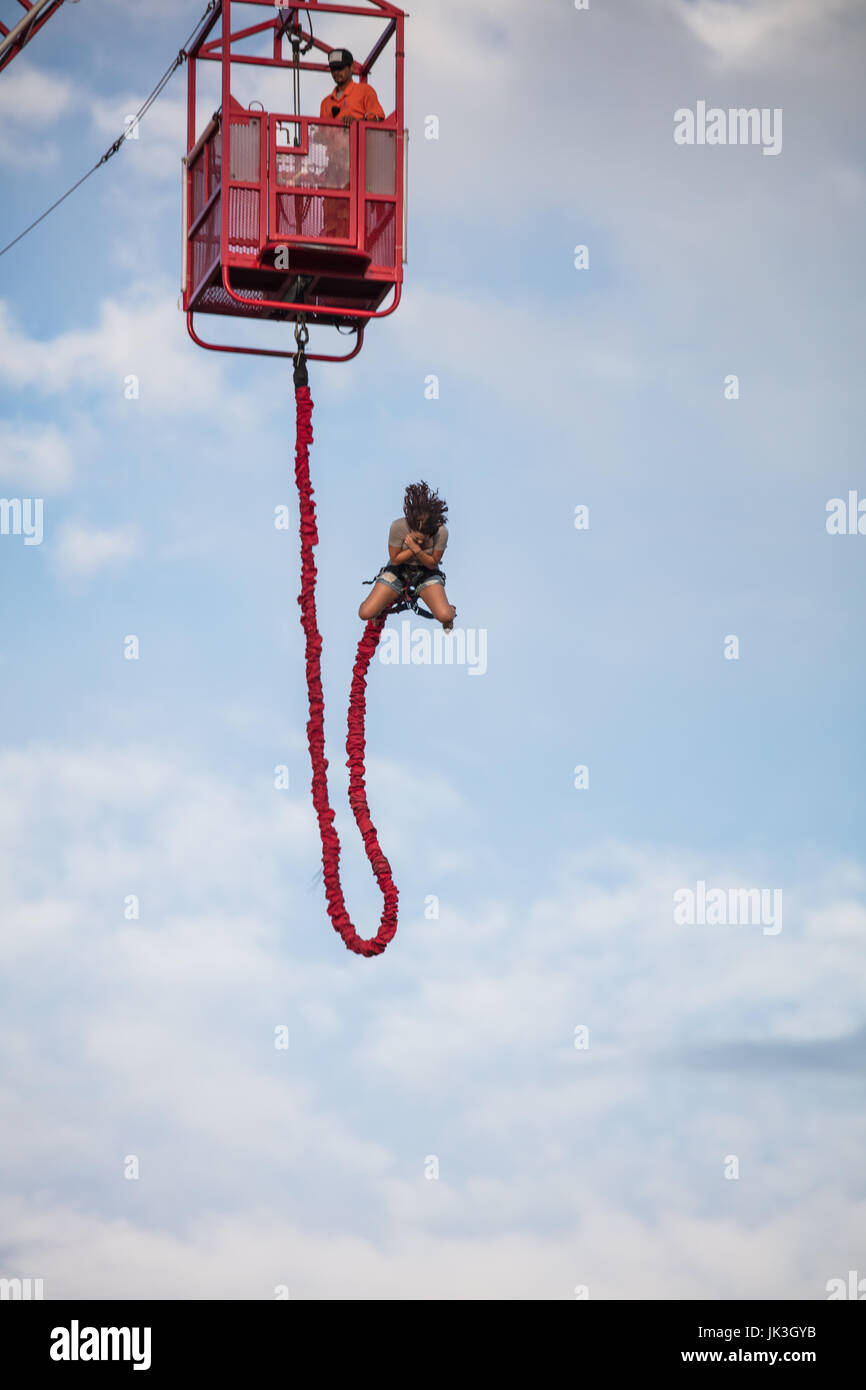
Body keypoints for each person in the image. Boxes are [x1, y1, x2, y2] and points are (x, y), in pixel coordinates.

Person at [359, 481, 457, 631]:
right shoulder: (397, 527)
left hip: (426, 571)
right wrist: (415, 549)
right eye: (415, 537)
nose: (418, 541)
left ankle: (451, 610)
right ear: (410, 527)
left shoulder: (441, 533)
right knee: (365, 613)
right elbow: (395, 559)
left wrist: (416, 549)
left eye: (422, 540)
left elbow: (432, 563)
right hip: (398, 569)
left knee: (444, 615)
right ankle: (381, 605)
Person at [320, 48, 385, 125]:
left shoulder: (365, 91)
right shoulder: (325, 102)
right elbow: (321, 132)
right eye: (333, 69)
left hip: (359, 137)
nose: (336, 72)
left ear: (352, 67)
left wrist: (356, 124)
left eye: (340, 68)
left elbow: (378, 120)